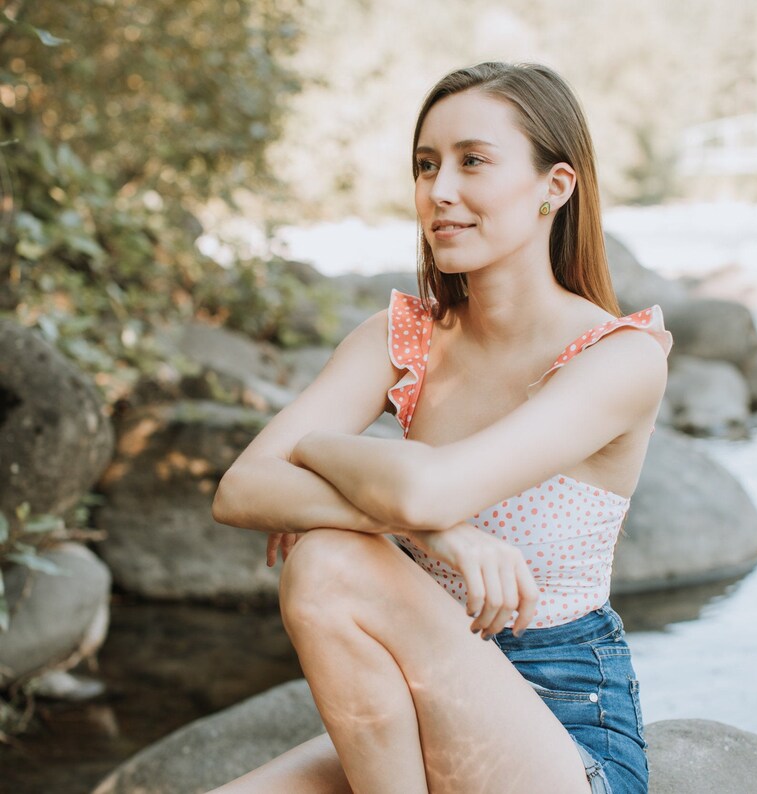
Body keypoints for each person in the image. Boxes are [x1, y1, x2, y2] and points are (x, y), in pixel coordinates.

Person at [209, 61, 672, 794]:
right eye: (426, 166)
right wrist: (439, 537)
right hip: (422, 712)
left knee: (328, 559)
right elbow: (240, 489)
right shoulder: (401, 338)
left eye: (473, 162)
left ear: (555, 186)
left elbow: (428, 492)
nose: (440, 191)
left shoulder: (618, 357)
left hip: (564, 741)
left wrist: (316, 451)